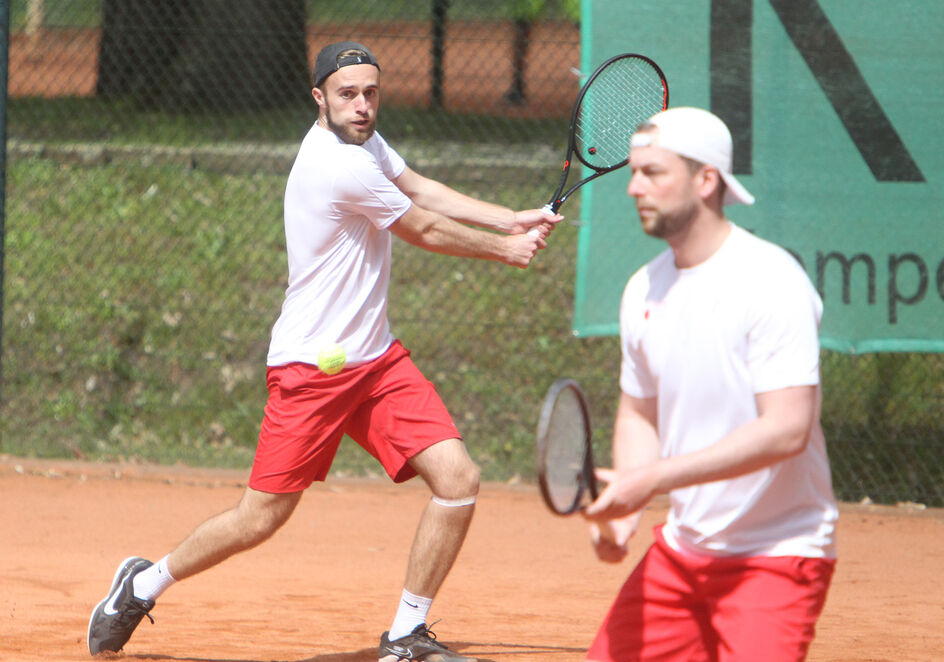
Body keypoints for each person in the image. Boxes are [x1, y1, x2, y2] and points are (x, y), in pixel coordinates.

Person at [86, 41, 561, 662]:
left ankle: (405, 635)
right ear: (319, 97)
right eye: (347, 94)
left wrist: (510, 218)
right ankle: (142, 583)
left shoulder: (367, 145)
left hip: (376, 363)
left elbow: (421, 188)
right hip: (311, 369)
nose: (362, 105)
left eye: (370, 92)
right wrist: (506, 251)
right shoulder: (338, 164)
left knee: (458, 479)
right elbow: (423, 227)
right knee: (261, 518)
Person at [581, 107, 838, 662]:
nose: (633, 188)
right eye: (633, 171)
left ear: (706, 180)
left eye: (653, 173)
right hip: (680, 553)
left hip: (774, 556)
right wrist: (626, 512)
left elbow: (787, 431)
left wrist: (651, 479)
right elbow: (639, 414)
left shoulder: (771, 281)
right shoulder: (642, 289)